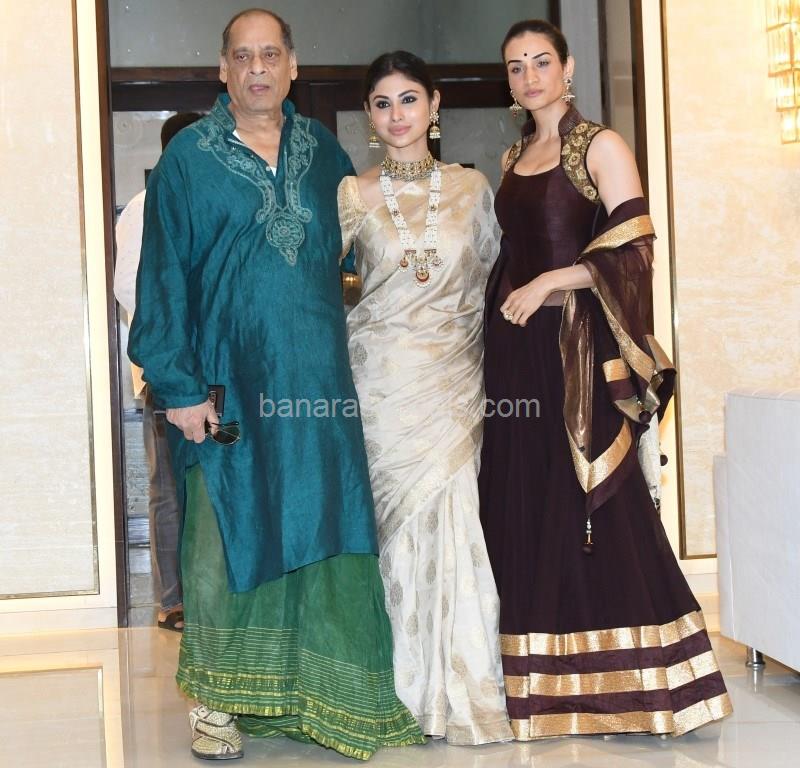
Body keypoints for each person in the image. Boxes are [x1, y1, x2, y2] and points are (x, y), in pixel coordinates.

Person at [128, 9, 423, 761]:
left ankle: (323, 694)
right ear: (222, 69)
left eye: (270, 55)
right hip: (225, 385)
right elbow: (162, 279)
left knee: (326, 526)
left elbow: (365, 259)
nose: (257, 69)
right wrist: (179, 386)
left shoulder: (323, 153)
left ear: (292, 65)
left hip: (318, 384)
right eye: (242, 56)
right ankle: (219, 704)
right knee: (226, 534)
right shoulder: (188, 160)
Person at [478, 19, 732, 740]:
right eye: (516, 66)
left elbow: (634, 248)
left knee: (589, 499)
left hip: (575, 349)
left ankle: (642, 683)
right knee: (525, 500)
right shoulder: (513, 154)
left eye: (541, 62)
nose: (529, 76)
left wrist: (552, 281)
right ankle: (539, 683)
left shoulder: (600, 146)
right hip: (515, 351)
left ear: (567, 68)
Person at [338, 51, 512, 744]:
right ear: (369, 116)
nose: (397, 115)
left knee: (456, 518)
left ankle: (460, 691)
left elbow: (493, 280)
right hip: (380, 382)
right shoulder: (352, 193)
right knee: (395, 530)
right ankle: (396, 691)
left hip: (455, 378)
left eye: (409, 99)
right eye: (382, 103)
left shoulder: (473, 187)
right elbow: (317, 285)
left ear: (434, 105)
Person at [114, 111, 202, 633]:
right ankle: (173, 599)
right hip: (169, 370)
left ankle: (217, 593)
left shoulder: (214, 200)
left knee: (216, 484)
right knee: (168, 487)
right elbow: (130, 286)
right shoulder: (145, 206)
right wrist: (176, 337)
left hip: (221, 371)